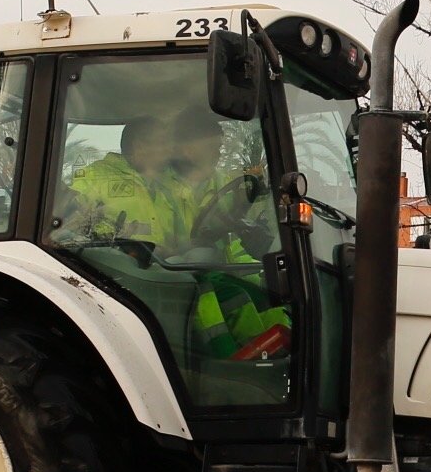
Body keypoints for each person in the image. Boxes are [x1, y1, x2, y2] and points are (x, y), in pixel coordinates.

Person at [58, 89, 290, 364]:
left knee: (234, 291)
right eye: (160, 143)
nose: (169, 150)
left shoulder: (165, 186)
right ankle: (226, 364)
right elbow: (66, 213)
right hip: (122, 274)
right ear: (137, 146)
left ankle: (270, 349)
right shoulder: (99, 176)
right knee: (198, 291)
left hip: (163, 266)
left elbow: (190, 228)